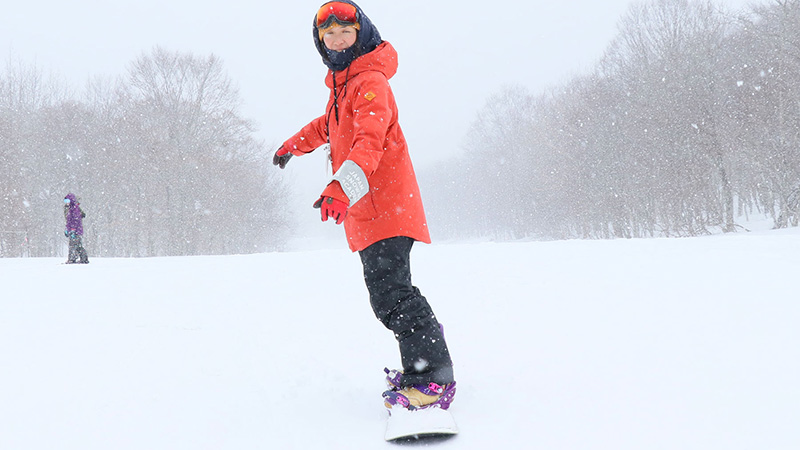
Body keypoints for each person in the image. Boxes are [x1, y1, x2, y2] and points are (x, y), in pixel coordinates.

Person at [273, 1, 455, 411]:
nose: (337, 40)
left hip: (385, 206)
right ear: (321, 42)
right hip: (372, 211)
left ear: (362, 35)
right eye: (329, 35)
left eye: (346, 33)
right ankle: (424, 352)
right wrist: (292, 146)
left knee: (392, 296)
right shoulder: (344, 85)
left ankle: (432, 377)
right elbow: (328, 126)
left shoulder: (370, 81)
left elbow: (368, 141)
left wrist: (342, 186)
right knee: (390, 295)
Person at [63, 193, 89, 264]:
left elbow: (75, 220)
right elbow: (68, 221)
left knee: (73, 245)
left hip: (76, 230)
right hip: (73, 230)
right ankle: (83, 258)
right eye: (65, 201)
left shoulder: (74, 209)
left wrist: (73, 230)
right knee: (77, 245)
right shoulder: (69, 209)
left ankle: (72, 259)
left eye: (68, 201)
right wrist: (67, 229)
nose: (66, 203)